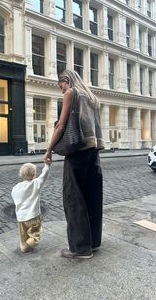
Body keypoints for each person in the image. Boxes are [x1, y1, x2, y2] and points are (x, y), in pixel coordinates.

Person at [44, 70, 104, 259]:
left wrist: (48, 150)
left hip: (77, 151)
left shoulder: (72, 93)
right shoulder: (92, 97)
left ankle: (80, 249)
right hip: (93, 151)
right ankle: (93, 243)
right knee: (91, 197)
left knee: (73, 198)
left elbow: (61, 125)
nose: (61, 89)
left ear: (66, 80)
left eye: (60, 84)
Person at [11, 162, 50, 253]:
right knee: (35, 234)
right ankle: (30, 243)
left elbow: (15, 198)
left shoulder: (16, 187)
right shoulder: (35, 184)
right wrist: (47, 165)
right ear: (34, 175)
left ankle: (24, 247)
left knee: (23, 235)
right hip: (33, 216)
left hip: (21, 217)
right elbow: (44, 176)